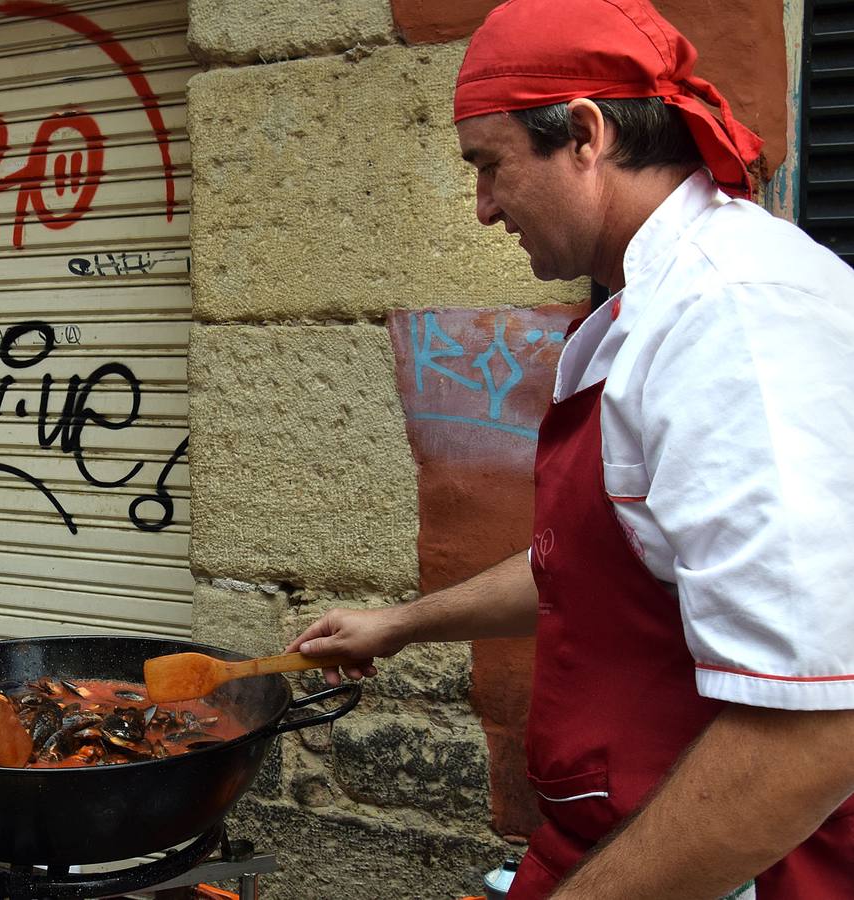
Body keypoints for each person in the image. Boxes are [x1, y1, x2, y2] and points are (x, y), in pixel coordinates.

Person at [288, 1, 854, 897]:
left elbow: (816, 728)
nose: (482, 209)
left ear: (584, 135)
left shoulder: (736, 319)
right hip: (604, 837)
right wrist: (400, 625)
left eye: (489, 166)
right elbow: (597, 558)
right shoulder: (652, 306)